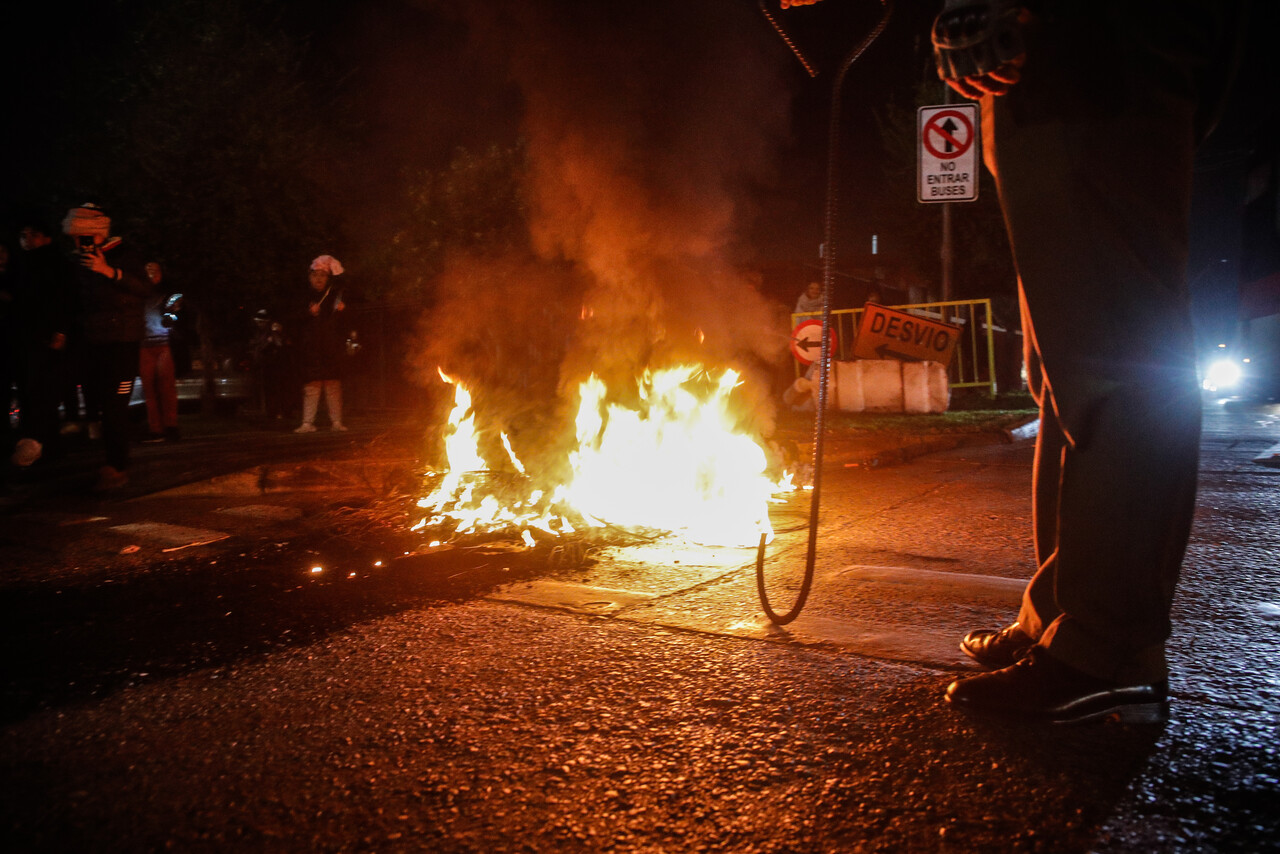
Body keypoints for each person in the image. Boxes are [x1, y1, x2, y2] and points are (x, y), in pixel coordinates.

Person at [927, 0, 1247, 723]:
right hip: (1065, 48)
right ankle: (1063, 617)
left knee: (1115, 358)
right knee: (1067, 369)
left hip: (1101, 37)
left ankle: (1108, 650)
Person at [62, 203, 150, 490]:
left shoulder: (126, 254)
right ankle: (111, 462)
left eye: (83, 236)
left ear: (97, 233)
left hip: (122, 342)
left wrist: (108, 271)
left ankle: (118, 466)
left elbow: (144, 289)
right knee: (100, 407)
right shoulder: (76, 263)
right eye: (75, 237)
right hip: (92, 343)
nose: (79, 242)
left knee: (116, 406)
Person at [294, 254, 349, 433]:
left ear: (328, 278)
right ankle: (307, 423)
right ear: (310, 277)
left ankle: (336, 422)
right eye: (315, 275)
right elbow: (292, 320)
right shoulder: (303, 297)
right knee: (312, 387)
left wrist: (342, 312)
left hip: (331, 349)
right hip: (311, 350)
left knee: (333, 386)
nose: (319, 279)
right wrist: (308, 313)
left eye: (323, 275)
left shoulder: (334, 296)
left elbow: (342, 325)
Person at [138, 261, 180, 443]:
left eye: (154, 270)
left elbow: (175, 314)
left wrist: (171, 314)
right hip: (144, 345)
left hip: (163, 344)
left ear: (161, 273)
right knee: (149, 390)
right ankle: (156, 429)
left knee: (166, 388)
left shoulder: (167, 292)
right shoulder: (139, 293)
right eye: (147, 270)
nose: (150, 273)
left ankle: (171, 426)